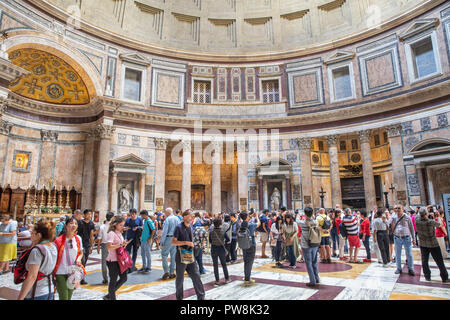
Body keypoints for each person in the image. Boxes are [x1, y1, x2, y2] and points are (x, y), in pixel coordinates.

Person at [17, 219, 57, 300]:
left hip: (35, 292)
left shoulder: (37, 251)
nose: (31, 235)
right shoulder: (53, 246)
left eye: (32, 233)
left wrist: (20, 297)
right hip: (49, 290)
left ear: (39, 235)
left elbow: (32, 277)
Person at [172, 209, 205, 300]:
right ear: (184, 217)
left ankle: (201, 297)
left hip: (190, 255)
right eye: (190, 216)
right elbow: (173, 242)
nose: (191, 218)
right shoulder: (178, 227)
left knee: (196, 275)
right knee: (180, 278)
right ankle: (179, 298)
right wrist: (186, 242)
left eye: (192, 216)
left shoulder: (190, 227)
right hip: (181, 255)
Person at [53, 217, 84, 300]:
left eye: (75, 224)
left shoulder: (78, 239)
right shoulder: (58, 240)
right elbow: (54, 256)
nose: (74, 225)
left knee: (69, 296)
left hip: (73, 271)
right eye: (71, 223)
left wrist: (79, 259)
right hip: (60, 272)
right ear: (66, 226)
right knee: (64, 296)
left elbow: (81, 252)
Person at [415, 207, 449, 283]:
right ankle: (444, 277)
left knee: (424, 260)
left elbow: (418, 214)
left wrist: (424, 210)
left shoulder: (417, 220)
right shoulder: (430, 222)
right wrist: (439, 216)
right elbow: (440, 225)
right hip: (433, 244)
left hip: (423, 244)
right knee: (439, 261)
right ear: (426, 214)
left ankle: (427, 276)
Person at [104, 216, 131, 300]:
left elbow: (119, 245)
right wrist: (120, 245)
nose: (122, 227)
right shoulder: (111, 233)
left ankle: (109, 295)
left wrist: (123, 244)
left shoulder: (119, 233)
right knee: (113, 281)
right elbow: (109, 246)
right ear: (115, 224)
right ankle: (111, 297)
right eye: (120, 225)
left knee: (124, 278)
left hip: (119, 260)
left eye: (123, 225)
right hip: (112, 260)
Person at [389, 204, 416, 276]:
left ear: (403, 209)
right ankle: (398, 268)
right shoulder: (393, 216)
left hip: (406, 237)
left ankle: (411, 268)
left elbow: (412, 228)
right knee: (398, 254)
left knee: (409, 254)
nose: (397, 209)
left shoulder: (407, 217)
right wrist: (388, 218)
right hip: (397, 237)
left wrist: (414, 239)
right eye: (396, 208)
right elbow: (388, 222)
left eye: (399, 208)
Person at [299, 207, 320, 287]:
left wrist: (299, 215)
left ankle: (312, 281)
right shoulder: (315, 222)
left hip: (306, 245)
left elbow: (297, 219)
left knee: (308, 263)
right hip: (314, 243)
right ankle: (316, 278)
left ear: (305, 214)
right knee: (314, 261)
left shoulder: (302, 223)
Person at [239, 211, 260, 286]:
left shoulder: (240, 224)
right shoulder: (251, 225)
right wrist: (257, 216)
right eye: (248, 215)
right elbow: (258, 224)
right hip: (251, 245)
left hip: (243, 244)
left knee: (246, 261)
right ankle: (247, 278)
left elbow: (244, 220)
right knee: (250, 262)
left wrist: (249, 216)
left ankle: (246, 277)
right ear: (247, 217)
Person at [209, 218, 230, 285]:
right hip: (221, 248)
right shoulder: (223, 231)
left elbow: (210, 241)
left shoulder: (211, 231)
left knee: (215, 265)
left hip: (214, 248)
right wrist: (223, 242)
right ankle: (227, 279)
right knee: (224, 264)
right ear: (220, 223)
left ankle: (217, 280)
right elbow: (228, 239)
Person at [160, 207, 179, 280]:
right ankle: (172, 273)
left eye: (165, 212)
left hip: (168, 238)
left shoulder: (167, 219)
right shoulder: (177, 219)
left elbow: (165, 231)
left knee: (164, 254)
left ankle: (166, 271)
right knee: (173, 256)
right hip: (175, 238)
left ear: (168, 213)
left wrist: (162, 241)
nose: (164, 214)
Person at [77, 209, 95, 284]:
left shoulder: (91, 224)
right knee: (82, 260)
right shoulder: (80, 222)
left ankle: (81, 277)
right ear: (84, 215)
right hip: (80, 243)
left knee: (85, 261)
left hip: (87, 243)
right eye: (88, 214)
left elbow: (91, 235)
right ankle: (80, 278)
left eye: (90, 214)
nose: (89, 216)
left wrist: (91, 246)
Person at [97, 212, 114, 284]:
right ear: (112, 218)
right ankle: (113, 277)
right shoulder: (113, 226)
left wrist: (98, 246)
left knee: (104, 262)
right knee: (112, 262)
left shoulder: (102, 226)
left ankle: (105, 278)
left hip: (104, 245)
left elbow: (99, 238)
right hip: (112, 245)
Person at [124, 208, 143, 273]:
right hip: (129, 237)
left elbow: (142, 227)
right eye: (131, 214)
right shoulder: (128, 219)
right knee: (127, 252)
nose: (132, 216)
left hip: (136, 238)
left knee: (135, 252)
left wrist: (137, 228)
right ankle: (128, 265)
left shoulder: (139, 219)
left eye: (134, 214)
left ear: (136, 214)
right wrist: (128, 228)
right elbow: (124, 228)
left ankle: (133, 265)